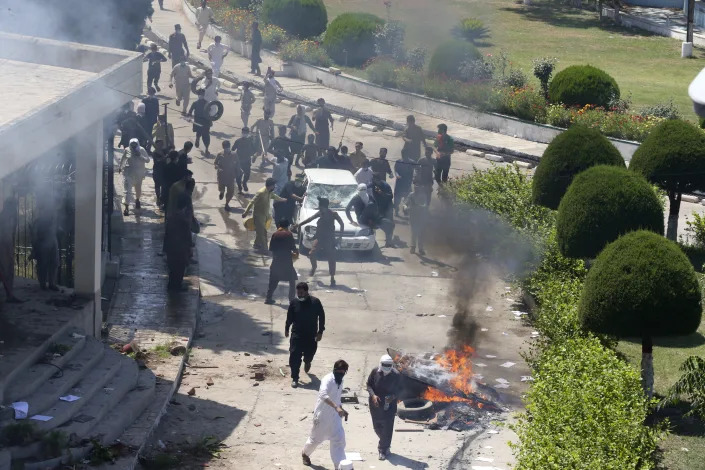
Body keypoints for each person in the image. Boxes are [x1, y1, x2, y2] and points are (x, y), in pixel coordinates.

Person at [301, 359, 349, 468]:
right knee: (315, 440)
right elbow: (323, 395)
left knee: (339, 440)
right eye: (339, 372)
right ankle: (305, 454)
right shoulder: (327, 379)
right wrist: (336, 407)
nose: (341, 375)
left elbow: (337, 398)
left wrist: (341, 408)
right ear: (335, 370)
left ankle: (340, 466)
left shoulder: (340, 381)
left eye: (343, 373)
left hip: (335, 418)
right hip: (322, 417)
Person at [294, 197, 343, 286]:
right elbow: (309, 219)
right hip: (319, 238)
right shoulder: (320, 213)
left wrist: (340, 238)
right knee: (311, 253)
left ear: (324, 206)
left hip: (329, 239)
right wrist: (298, 225)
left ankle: (332, 278)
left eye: (320, 206)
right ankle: (314, 267)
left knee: (331, 258)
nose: (319, 207)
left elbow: (342, 224)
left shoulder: (333, 214)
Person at [285, 282, 326, 385]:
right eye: (298, 293)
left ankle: (307, 361)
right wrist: (286, 328)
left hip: (311, 335)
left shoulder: (315, 302)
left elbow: (321, 317)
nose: (300, 295)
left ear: (307, 292)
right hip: (297, 334)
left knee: (309, 354)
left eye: (302, 293)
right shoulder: (294, 302)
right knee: (294, 356)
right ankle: (295, 378)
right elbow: (289, 317)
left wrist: (320, 332)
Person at [367, 354, 401, 461]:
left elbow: (400, 390)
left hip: (389, 406)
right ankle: (385, 443)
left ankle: (382, 449)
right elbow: (369, 385)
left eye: (389, 365)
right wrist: (373, 395)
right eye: (385, 365)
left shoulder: (396, 375)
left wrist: (392, 397)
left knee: (387, 428)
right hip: (375, 405)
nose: (387, 367)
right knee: (377, 428)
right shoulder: (374, 372)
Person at [242, 177, 286, 250]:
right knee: (263, 233)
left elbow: (274, 196)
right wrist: (246, 212)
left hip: (265, 215)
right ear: (270, 185)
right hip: (258, 216)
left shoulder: (269, 192)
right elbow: (252, 202)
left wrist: (282, 199)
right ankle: (265, 248)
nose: (274, 186)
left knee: (260, 232)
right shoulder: (261, 192)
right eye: (274, 185)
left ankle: (256, 244)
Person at [265, 220, 299, 305]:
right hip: (287, 263)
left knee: (273, 281)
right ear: (287, 226)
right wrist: (295, 253)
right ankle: (291, 300)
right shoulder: (289, 234)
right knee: (292, 280)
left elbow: (271, 249)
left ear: (279, 225)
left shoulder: (275, 234)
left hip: (276, 262)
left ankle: (268, 298)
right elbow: (294, 248)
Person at [165, 192, 193, 291]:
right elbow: (187, 236)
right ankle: (176, 287)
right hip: (179, 249)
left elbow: (167, 234)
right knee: (179, 270)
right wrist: (189, 249)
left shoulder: (173, 216)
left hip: (171, 248)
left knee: (173, 269)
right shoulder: (183, 219)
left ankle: (172, 285)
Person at [31, 200, 60, 291]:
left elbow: (55, 228)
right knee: (42, 264)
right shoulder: (38, 221)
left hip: (53, 241)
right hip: (43, 243)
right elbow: (34, 235)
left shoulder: (53, 218)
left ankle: (51, 283)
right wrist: (35, 247)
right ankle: (43, 284)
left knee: (54, 263)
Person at [119, 138, 150, 216]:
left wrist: (140, 156)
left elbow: (147, 160)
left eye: (134, 145)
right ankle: (126, 207)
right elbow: (123, 159)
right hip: (129, 173)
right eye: (131, 145)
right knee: (127, 190)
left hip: (139, 173)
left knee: (138, 189)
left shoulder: (142, 150)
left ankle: (137, 200)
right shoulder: (127, 150)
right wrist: (120, 167)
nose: (133, 147)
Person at [0, 194, 21, 303]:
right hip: (3, 245)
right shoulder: (4, 217)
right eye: (14, 206)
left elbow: (11, 233)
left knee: (7, 270)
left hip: (7, 244)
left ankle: (10, 294)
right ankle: (9, 295)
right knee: (6, 271)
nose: (16, 208)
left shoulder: (11, 217)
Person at [370, 175, 396, 248]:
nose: (373, 182)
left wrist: (381, 193)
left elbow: (390, 196)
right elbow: (366, 186)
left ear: (378, 180)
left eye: (374, 180)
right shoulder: (373, 184)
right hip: (380, 207)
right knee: (380, 223)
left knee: (389, 224)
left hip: (388, 207)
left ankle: (389, 241)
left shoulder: (386, 185)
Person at [405, 180, 429, 255]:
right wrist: (405, 208)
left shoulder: (423, 195)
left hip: (421, 216)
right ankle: (413, 246)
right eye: (415, 186)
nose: (416, 188)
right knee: (414, 231)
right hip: (413, 216)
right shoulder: (411, 195)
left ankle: (421, 248)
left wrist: (418, 206)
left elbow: (425, 205)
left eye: (418, 186)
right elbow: (405, 203)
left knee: (421, 232)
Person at [187, 91, 212, 157]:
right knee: (198, 133)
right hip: (197, 122)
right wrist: (189, 117)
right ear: (198, 95)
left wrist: (210, 121)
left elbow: (209, 113)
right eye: (199, 95)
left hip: (206, 122)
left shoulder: (207, 103)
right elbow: (190, 111)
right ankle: (197, 139)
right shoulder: (195, 103)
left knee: (206, 136)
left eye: (202, 95)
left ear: (204, 95)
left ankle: (206, 148)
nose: (200, 96)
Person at [214, 140, 237, 209]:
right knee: (221, 188)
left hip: (230, 176)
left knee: (230, 192)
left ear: (229, 147)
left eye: (228, 147)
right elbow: (215, 163)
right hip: (221, 175)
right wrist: (217, 167)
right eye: (225, 147)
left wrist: (237, 173)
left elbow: (237, 164)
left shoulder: (234, 154)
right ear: (223, 147)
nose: (227, 149)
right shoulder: (220, 154)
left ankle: (227, 203)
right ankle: (222, 192)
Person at [234, 127, 256, 193]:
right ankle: (239, 187)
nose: (244, 134)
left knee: (247, 174)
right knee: (238, 175)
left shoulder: (250, 141)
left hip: (247, 161)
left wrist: (253, 155)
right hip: (239, 161)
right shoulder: (238, 141)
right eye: (243, 132)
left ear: (248, 133)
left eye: (246, 133)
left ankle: (244, 183)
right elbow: (233, 149)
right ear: (242, 133)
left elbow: (254, 150)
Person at [152, 139, 168, 207]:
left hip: (164, 171)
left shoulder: (164, 151)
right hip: (157, 171)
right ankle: (158, 198)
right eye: (159, 144)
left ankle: (163, 199)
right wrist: (164, 157)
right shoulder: (154, 152)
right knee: (157, 185)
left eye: (162, 144)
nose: (161, 145)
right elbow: (157, 160)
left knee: (164, 186)